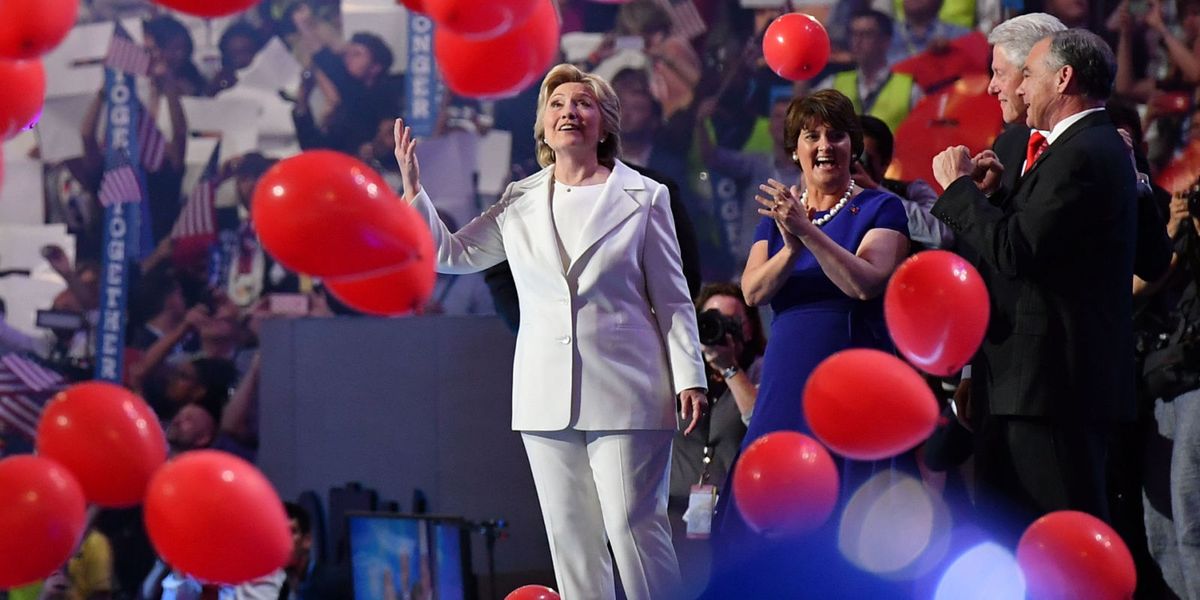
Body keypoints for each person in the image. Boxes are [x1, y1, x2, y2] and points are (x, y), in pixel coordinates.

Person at [393, 63, 707, 600]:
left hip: (628, 388)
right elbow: (452, 254)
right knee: (570, 539)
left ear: (604, 124)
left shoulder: (646, 196)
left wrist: (689, 377)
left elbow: (674, 300)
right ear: (543, 125)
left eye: (583, 103)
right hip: (545, 394)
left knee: (633, 527)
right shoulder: (519, 199)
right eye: (558, 104)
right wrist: (415, 192)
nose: (569, 112)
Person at [931, 28, 1138, 536]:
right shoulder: (1075, 150)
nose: (1018, 90)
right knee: (1017, 538)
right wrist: (996, 197)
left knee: (1064, 543)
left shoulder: (1083, 153)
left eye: (1026, 76)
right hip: (1029, 387)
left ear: (1062, 77)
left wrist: (959, 190)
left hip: (1052, 388)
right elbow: (1037, 248)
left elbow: (1014, 251)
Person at [707, 88, 911, 596]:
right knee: (767, 506)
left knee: (843, 510)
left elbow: (864, 282)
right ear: (794, 149)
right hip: (785, 379)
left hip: (849, 380)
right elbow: (753, 291)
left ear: (853, 145)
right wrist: (791, 240)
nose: (825, 146)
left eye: (836, 135)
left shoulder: (882, 207)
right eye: (811, 136)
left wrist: (807, 232)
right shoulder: (775, 221)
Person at [668, 283, 764, 597]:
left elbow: (759, 421)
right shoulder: (678, 373)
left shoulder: (761, 370)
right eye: (710, 320)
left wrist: (730, 367)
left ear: (748, 329)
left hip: (733, 519)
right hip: (673, 515)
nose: (718, 329)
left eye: (730, 321)